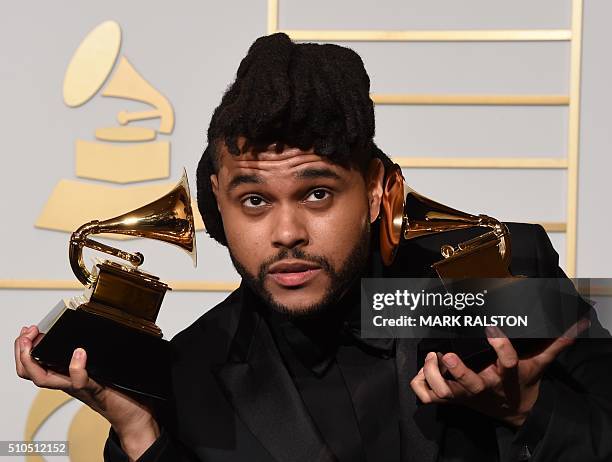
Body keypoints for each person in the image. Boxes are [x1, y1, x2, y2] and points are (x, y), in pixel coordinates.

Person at [14, 33, 612, 462]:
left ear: (377, 190)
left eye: (318, 193)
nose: (286, 233)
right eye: (254, 201)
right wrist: (140, 430)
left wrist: (527, 411)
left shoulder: (501, 273)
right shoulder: (187, 375)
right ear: (215, 200)